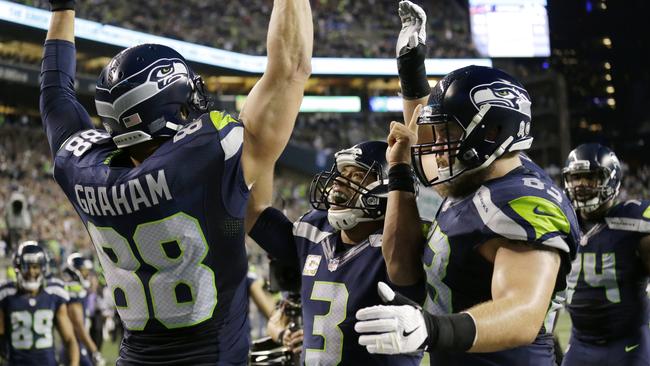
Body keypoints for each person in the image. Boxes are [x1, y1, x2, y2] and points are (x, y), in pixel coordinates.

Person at [39, 0, 312, 363]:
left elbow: (56, 93)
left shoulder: (82, 168)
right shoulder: (208, 157)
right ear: (174, 109)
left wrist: (62, 8)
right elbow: (292, 67)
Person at [354, 2, 581, 364]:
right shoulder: (473, 180)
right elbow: (402, 267)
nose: (434, 149)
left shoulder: (522, 201)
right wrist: (412, 70)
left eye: (447, 135)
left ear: (492, 133)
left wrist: (433, 329)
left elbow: (522, 312)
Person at [246, 141, 424, 365]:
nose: (339, 181)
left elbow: (401, 254)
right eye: (342, 173)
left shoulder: (399, 247)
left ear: (387, 189)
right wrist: (264, 142)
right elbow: (254, 210)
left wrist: (400, 169)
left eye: (357, 176)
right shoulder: (313, 232)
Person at [561, 143, 650, 365]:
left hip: (629, 344)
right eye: (576, 177)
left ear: (611, 178)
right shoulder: (562, 224)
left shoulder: (634, 221)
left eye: (590, 177)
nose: (581, 185)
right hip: (580, 345)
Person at [0, 241, 79, 366]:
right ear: (18, 268)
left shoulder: (54, 293)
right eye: (26, 266)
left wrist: (74, 363)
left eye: (35, 266)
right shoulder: (6, 295)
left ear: (43, 268)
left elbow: (69, 339)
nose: (31, 272)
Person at [61, 253, 105, 366]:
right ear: (75, 271)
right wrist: (94, 350)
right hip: (75, 343)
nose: (87, 275)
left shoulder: (75, 287)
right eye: (84, 271)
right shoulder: (75, 290)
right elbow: (78, 326)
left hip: (73, 343)